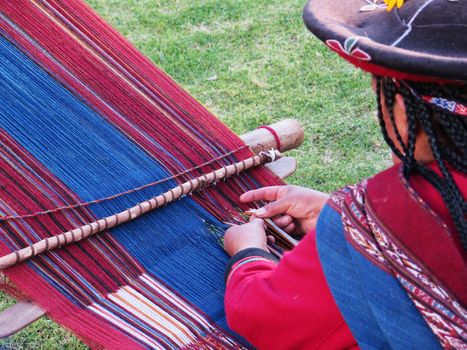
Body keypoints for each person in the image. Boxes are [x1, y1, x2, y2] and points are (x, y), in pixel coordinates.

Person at [222, 0, 467, 349]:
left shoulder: (390, 212)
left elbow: (268, 319)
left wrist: (247, 253)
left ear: (401, 108)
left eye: (378, 87)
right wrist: (334, 214)